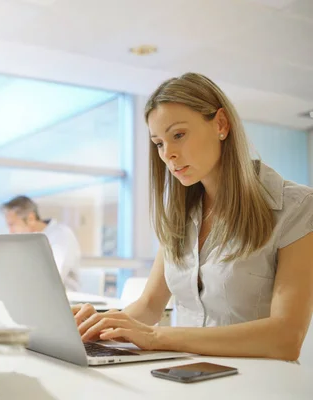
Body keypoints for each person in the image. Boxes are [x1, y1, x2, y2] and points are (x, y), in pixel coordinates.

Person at [73, 72, 313, 361]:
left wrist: (156, 337)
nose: (168, 154)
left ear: (221, 125)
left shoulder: (297, 207)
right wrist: (99, 328)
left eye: (178, 135)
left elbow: (286, 338)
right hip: (184, 375)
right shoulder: (181, 213)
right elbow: (150, 306)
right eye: (159, 143)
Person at [1, 195, 81, 291]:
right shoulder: (29, 241)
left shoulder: (61, 234)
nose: (11, 231)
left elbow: (52, 276)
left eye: (12, 225)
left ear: (30, 219)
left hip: (64, 299)